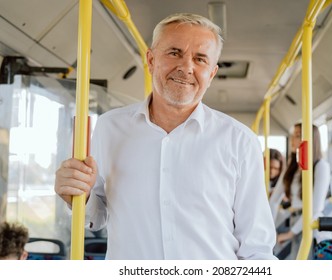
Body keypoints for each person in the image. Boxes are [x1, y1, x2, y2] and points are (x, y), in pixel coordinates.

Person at [55, 13, 277, 260]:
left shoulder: (240, 141)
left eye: (200, 59)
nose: (186, 67)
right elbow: (96, 217)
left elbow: (256, 247)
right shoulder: (110, 127)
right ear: (150, 60)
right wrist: (79, 195)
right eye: (174, 52)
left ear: (212, 74)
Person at [269, 123, 332, 258]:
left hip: (311, 226)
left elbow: (315, 208)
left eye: (298, 136)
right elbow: (274, 200)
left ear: (309, 139)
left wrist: (290, 233)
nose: (293, 140)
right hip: (295, 223)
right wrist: (268, 229)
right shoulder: (292, 168)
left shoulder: (321, 166)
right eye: (293, 136)